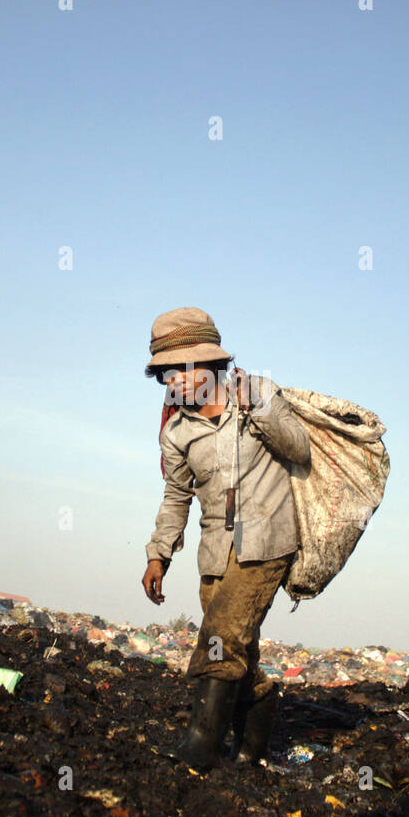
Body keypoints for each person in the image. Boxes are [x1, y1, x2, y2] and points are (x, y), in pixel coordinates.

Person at [140, 307, 310, 770]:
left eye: (183, 369)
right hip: (215, 551)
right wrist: (159, 555)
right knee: (238, 651)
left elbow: (299, 450)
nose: (175, 381)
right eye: (166, 374)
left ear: (210, 365)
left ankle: (203, 747)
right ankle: (252, 752)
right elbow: (177, 494)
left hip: (267, 542)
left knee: (219, 634)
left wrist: (257, 410)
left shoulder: (257, 394)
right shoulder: (177, 432)